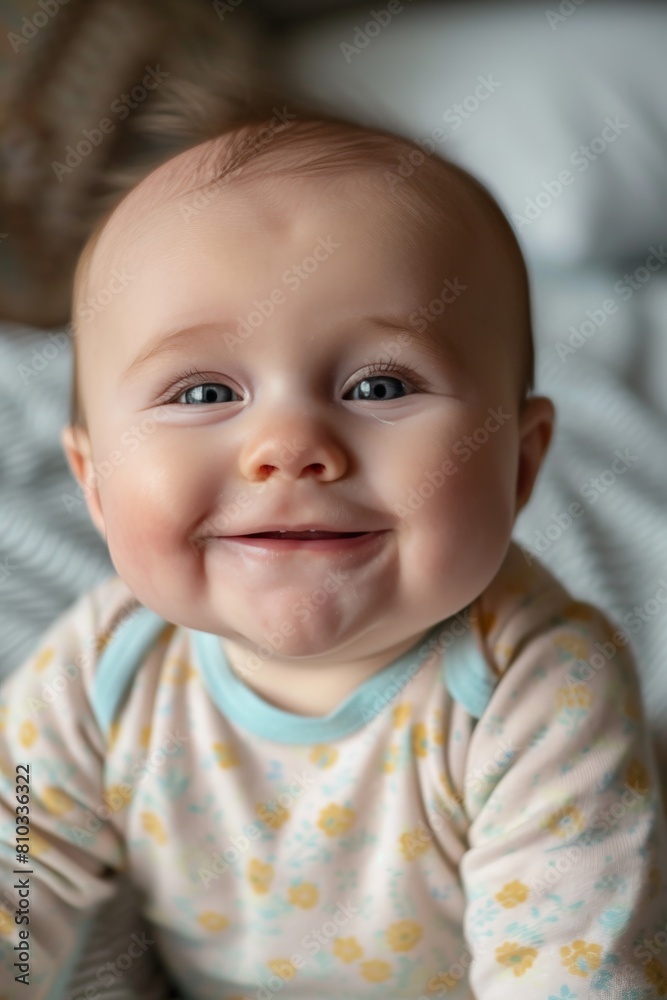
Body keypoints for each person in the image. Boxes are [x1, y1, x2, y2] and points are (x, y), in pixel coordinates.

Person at [1, 116, 665, 1000]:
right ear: (92, 481)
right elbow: (18, 884)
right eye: (204, 392)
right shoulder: (98, 672)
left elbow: (569, 972)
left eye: (378, 386)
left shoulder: (539, 690)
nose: (287, 446)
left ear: (520, 463)